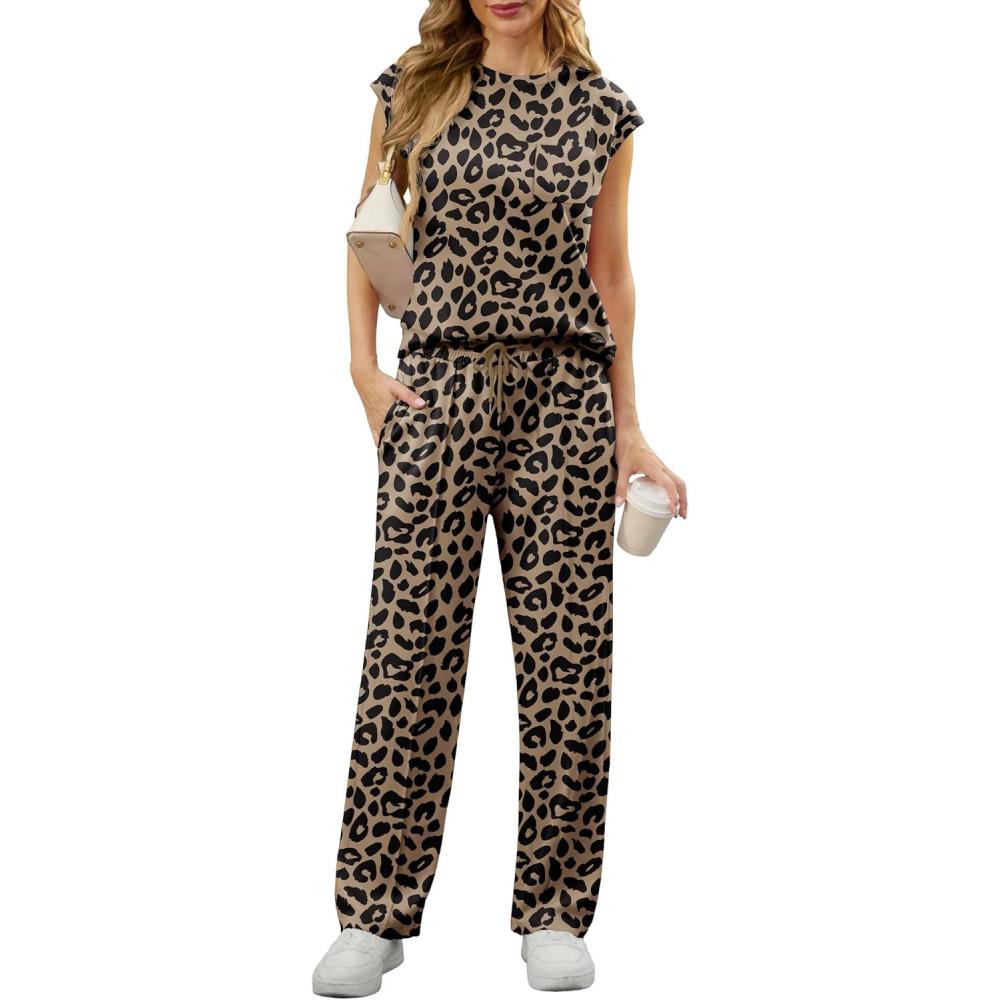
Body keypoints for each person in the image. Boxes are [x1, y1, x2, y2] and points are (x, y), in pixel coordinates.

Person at [314, 0, 687, 994]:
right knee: (408, 651)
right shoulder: (412, 88)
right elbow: (367, 231)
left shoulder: (602, 111)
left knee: (569, 656)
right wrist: (362, 370)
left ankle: (555, 910)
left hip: (564, 396)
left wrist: (629, 426)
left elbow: (611, 275)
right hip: (435, 387)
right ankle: (373, 911)